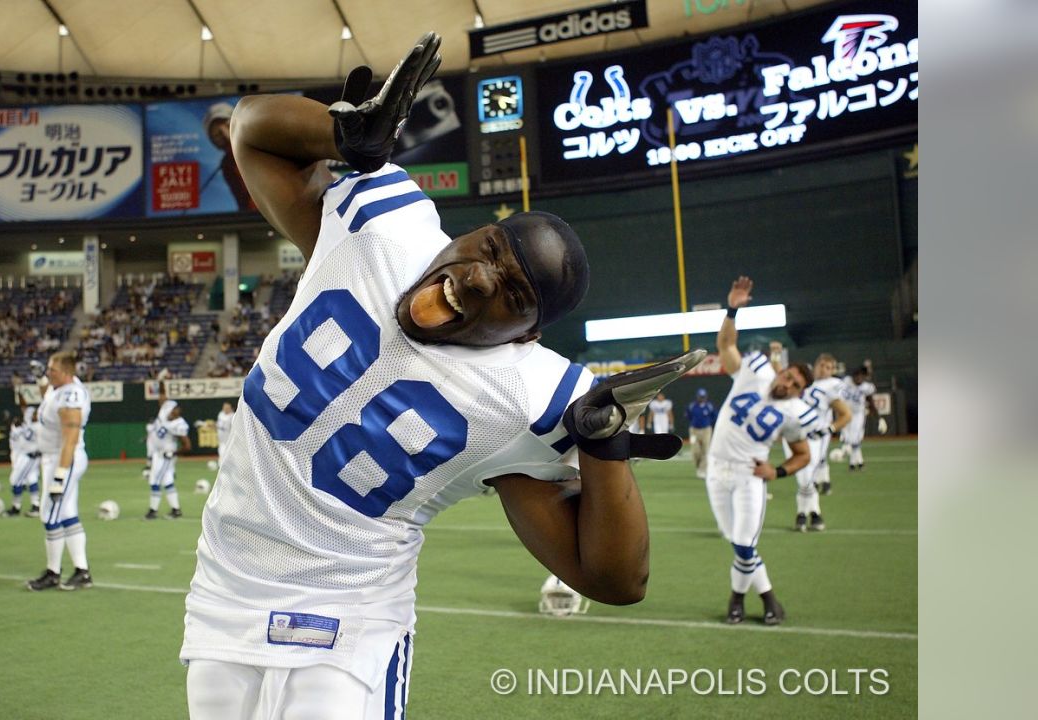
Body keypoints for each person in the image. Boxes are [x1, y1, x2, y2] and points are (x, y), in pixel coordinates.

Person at [178, 32, 704, 718]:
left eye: (512, 296)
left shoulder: (523, 394)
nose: (480, 280)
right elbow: (250, 130)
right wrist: (339, 131)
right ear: (474, 232)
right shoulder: (384, 227)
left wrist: (603, 449)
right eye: (490, 251)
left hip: (350, 622)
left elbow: (617, 580)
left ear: (528, 334)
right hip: (222, 592)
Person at [708, 276, 815, 626]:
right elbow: (725, 344)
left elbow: (803, 455)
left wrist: (778, 471)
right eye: (788, 376)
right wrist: (732, 310)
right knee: (734, 541)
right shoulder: (752, 371)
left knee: (742, 543)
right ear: (781, 369)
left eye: (796, 385)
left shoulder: (794, 413)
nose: (787, 384)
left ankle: (740, 600)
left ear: (800, 393)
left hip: (747, 476)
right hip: (716, 470)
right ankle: (769, 601)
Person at [26, 351, 93, 591]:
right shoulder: (61, 388)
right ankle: (82, 571)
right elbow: (49, 399)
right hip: (56, 457)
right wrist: (41, 381)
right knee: (67, 514)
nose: (48, 373)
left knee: (49, 514)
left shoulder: (71, 397)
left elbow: (71, 438)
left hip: (64, 458)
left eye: (51, 370)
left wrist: (60, 475)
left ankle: (53, 572)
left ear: (65, 372)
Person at [788, 354, 852, 530]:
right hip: (793, 434)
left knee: (807, 476)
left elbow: (846, 414)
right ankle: (812, 515)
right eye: (822, 365)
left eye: (829, 367)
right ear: (815, 366)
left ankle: (806, 513)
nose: (824, 369)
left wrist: (830, 429)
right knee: (802, 476)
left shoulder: (833, 385)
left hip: (816, 437)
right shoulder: (801, 384)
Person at [146, 382, 192, 520]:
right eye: (173, 411)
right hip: (157, 452)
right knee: (167, 481)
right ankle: (176, 510)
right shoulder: (166, 408)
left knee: (154, 481)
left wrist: (174, 453)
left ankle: (152, 511)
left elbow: (187, 446)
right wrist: (161, 382)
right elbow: (162, 396)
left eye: (176, 413)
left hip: (165, 454)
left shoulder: (180, 425)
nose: (173, 414)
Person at [6, 392, 42, 518]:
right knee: (32, 479)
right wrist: (20, 397)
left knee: (15, 480)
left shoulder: (40, 426)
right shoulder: (29, 420)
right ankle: (36, 506)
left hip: (30, 456)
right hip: (27, 455)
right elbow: (25, 408)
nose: (33, 414)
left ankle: (16, 507)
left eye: (36, 413)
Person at [840, 364, 878, 471]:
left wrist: (879, 418)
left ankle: (853, 464)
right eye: (857, 376)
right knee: (849, 439)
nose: (859, 379)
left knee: (854, 438)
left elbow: (871, 402)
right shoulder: (846, 381)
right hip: (845, 413)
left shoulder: (866, 387)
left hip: (858, 414)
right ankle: (859, 463)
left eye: (862, 376)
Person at [686, 388, 717, 479]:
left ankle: (702, 470)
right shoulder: (692, 406)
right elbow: (688, 415)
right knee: (695, 451)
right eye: (701, 397)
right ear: (697, 397)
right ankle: (698, 466)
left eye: (703, 397)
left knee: (705, 450)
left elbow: (714, 416)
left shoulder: (709, 406)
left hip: (706, 430)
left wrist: (707, 423)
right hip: (694, 431)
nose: (702, 398)